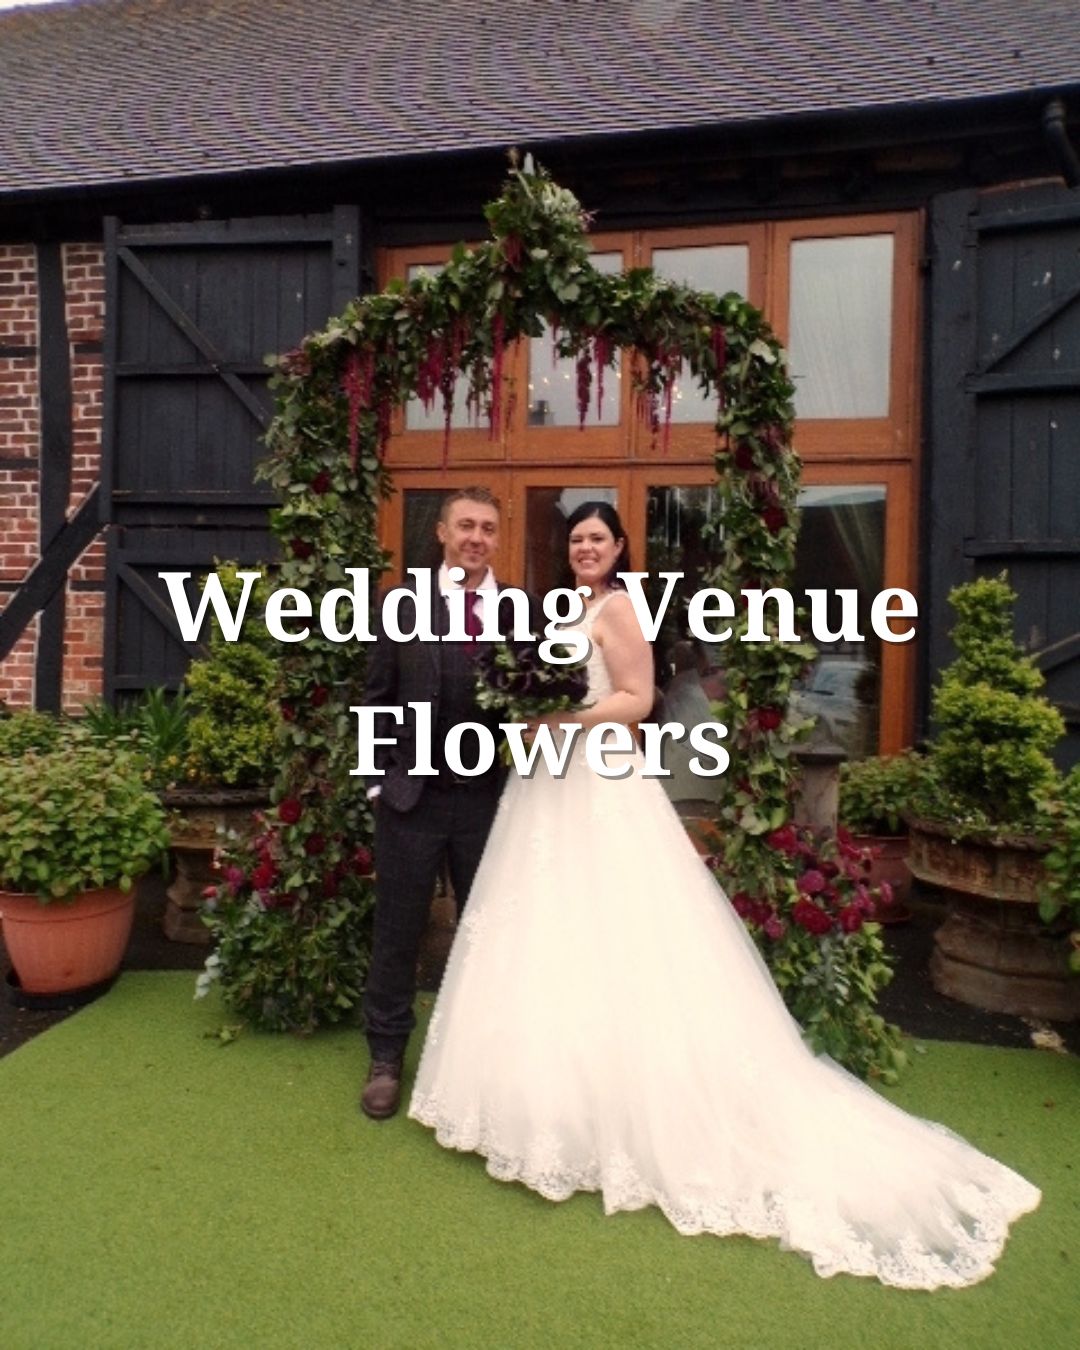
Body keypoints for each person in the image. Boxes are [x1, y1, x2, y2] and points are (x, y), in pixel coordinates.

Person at [407, 501, 1041, 1290]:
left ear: (619, 547)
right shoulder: (557, 607)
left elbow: (636, 699)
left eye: (598, 539)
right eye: (575, 539)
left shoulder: (622, 609)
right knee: (545, 937)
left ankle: (625, 1102)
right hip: (544, 785)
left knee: (614, 933)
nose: (585, 549)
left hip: (596, 779)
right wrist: (532, 712)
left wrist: (563, 714)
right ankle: (535, 1096)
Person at [360, 485, 514, 1120]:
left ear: (497, 539)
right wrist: (376, 783)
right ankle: (386, 1058)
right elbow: (373, 697)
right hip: (412, 798)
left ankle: (484, 1063)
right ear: (443, 535)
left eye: (487, 528)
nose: (476, 537)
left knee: (488, 936)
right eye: (465, 526)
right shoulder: (402, 604)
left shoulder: (522, 611)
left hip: (489, 803)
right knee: (397, 933)